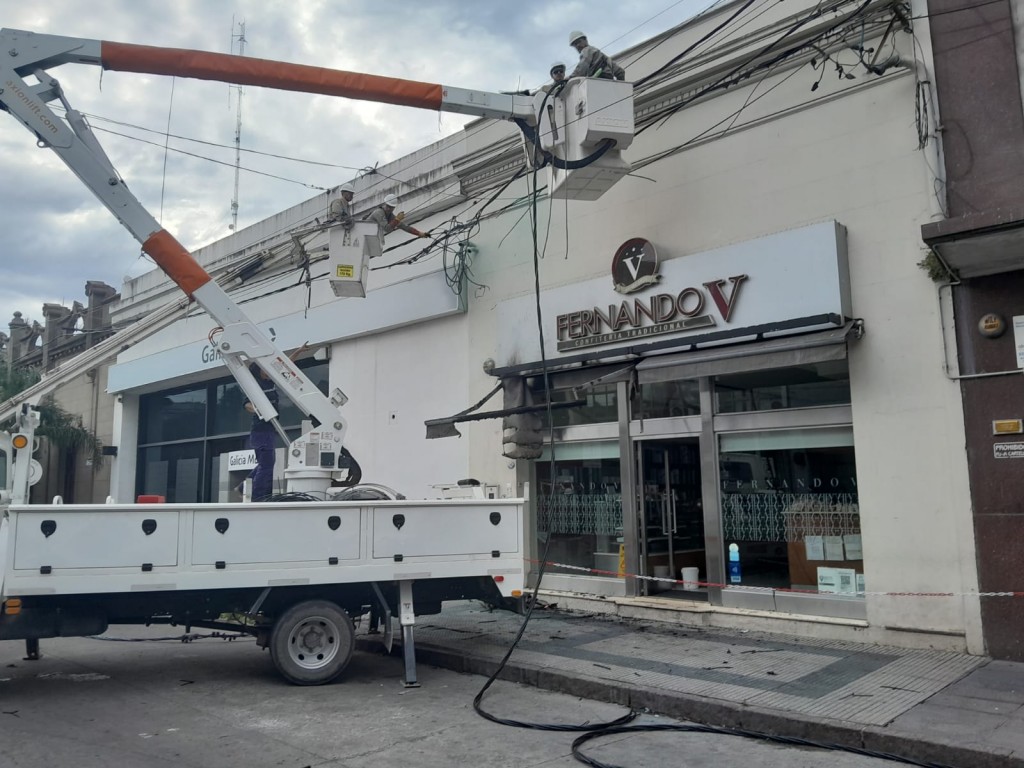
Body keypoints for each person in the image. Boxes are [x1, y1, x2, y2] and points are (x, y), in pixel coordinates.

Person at [241, 343, 308, 501]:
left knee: (266, 463)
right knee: (267, 464)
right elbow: (246, 405)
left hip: (268, 430)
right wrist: (260, 410)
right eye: (264, 369)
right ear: (258, 372)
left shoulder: (270, 381)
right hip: (261, 430)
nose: (267, 371)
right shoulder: (255, 386)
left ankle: (243, 487)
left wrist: (297, 351)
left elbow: (284, 367)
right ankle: (258, 497)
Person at [364, 194, 429, 243]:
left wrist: (420, 234)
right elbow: (387, 229)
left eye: (391, 207)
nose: (389, 209)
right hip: (362, 234)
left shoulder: (389, 215)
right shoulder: (379, 212)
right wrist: (397, 220)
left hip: (369, 238)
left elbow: (404, 226)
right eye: (388, 206)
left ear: (394, 208)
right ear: (385, 204)